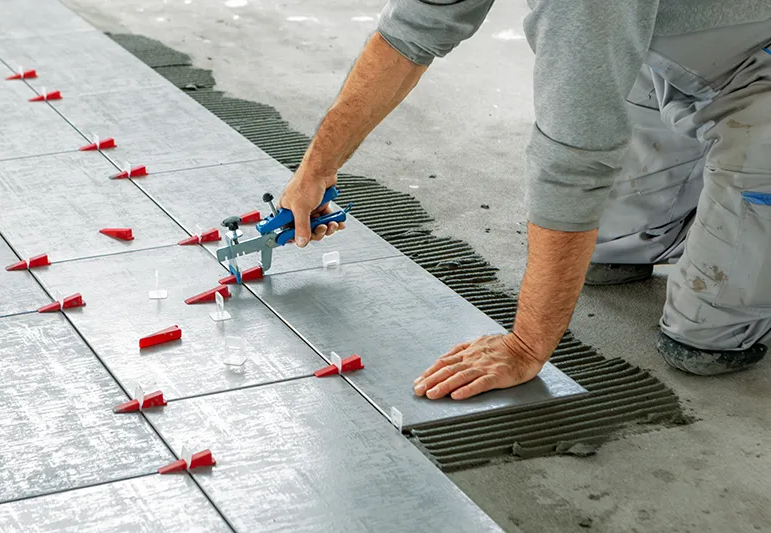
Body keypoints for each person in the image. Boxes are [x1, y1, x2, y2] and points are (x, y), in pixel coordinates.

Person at [279, 1, 771, 401]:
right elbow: (408, 34)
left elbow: (574, 163)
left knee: (703, 343)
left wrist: (526, 346)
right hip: (675, 49)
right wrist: (316, 168)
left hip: (756, 56)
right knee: (605, 254)